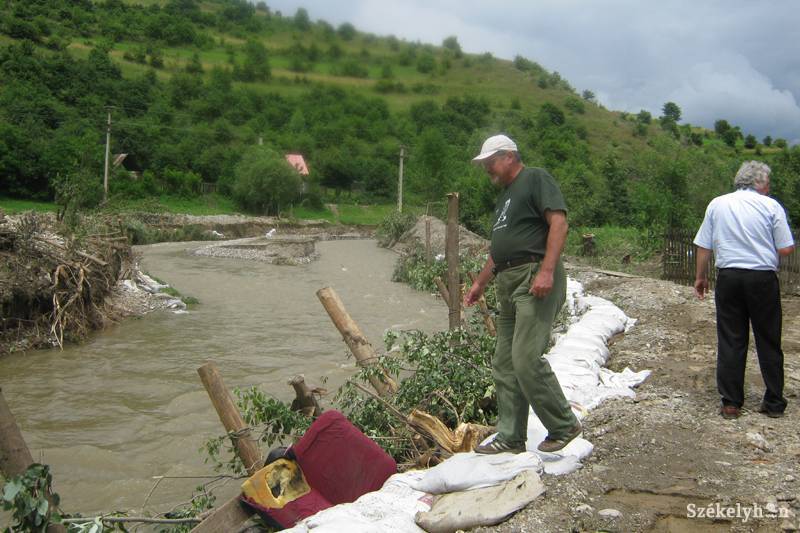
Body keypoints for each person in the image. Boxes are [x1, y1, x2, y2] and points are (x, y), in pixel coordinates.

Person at [464, 134, 582, 454]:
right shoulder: (504, 198)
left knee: (525, 357)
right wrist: (480, 284)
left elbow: (559, 223)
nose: (487, 168)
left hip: (533, 276)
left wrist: (547, 271)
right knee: (503, 363)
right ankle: (511, 436)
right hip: (507, 281)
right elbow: (499, 250)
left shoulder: (535, 179)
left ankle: (564, 424)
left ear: (509, 156)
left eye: (491, 161)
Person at [693, 161, 795, 419]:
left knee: (731, 338)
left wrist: (700, 277)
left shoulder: (718, 204)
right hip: (762, 278)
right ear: (760, 183)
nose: (769, 188)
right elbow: (786, 248)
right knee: (768, 339)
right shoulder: (771, 206)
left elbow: (704, 245)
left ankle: (731, 402)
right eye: (768, 183)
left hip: (729, 277)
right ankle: (774, 402)